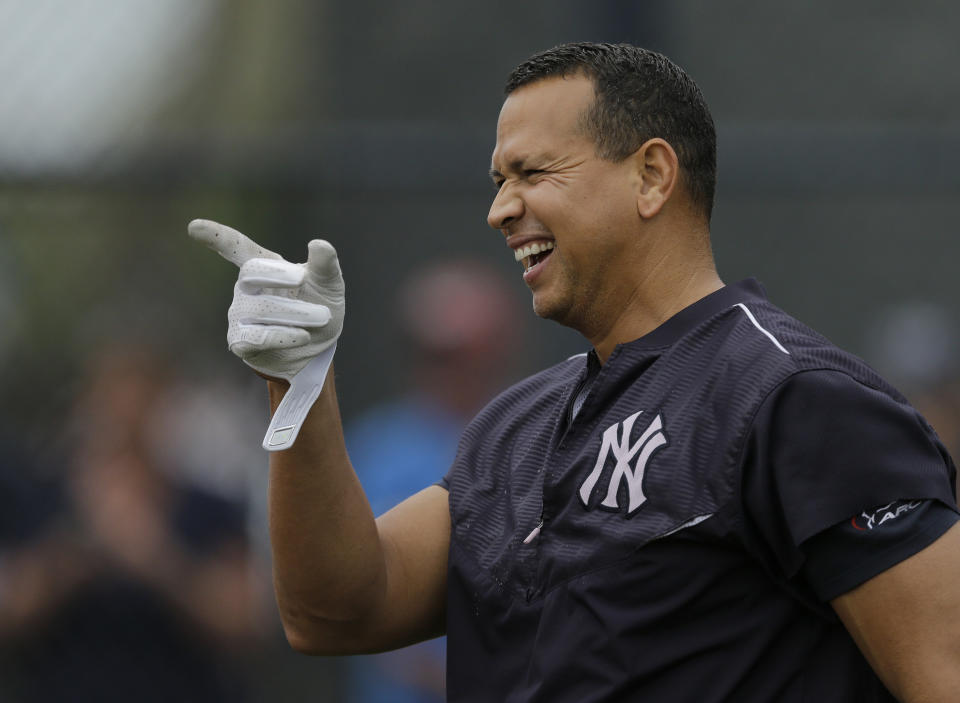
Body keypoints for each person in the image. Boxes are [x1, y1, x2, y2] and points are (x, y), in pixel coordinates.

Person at [188, 42, 960, 702]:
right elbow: (336, 611)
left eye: (531, 171)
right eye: (498, 180)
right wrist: (301, 383)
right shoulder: (512, 425)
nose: (500, 208)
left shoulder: (795, 399)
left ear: (652, 176)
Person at [344, 261, 521, 703]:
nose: (454, 369)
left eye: (467, 352)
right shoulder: (375, 449)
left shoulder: (536, 436)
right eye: (438, 353)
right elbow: (351, 593)